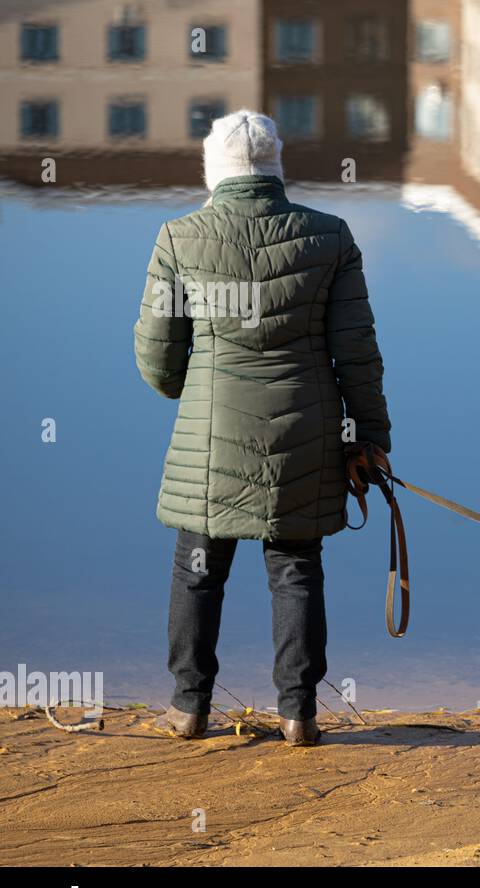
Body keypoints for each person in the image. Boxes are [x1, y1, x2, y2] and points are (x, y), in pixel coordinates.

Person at [134, 110, 392, 745]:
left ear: (212, 169)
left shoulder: (177, 237)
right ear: (278, 165)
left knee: (198, 567)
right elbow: (356, 350)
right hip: (304, 430)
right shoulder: (330, 237)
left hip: (210, 432)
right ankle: (298, 712)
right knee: (297, 567)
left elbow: (157, 356)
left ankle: (190, 706)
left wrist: (183, 389)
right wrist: (368, 437)